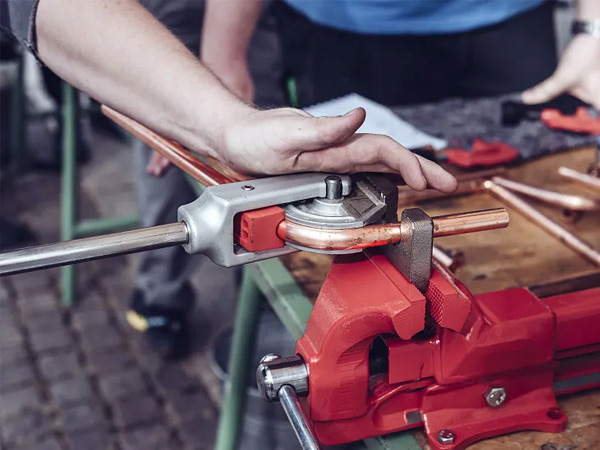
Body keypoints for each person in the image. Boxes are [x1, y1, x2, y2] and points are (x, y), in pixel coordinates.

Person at [202, 0, 600, 109]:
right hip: (344, 32)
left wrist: (592, 27)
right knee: (360, 211)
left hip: (514, 21)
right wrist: (223, 57)